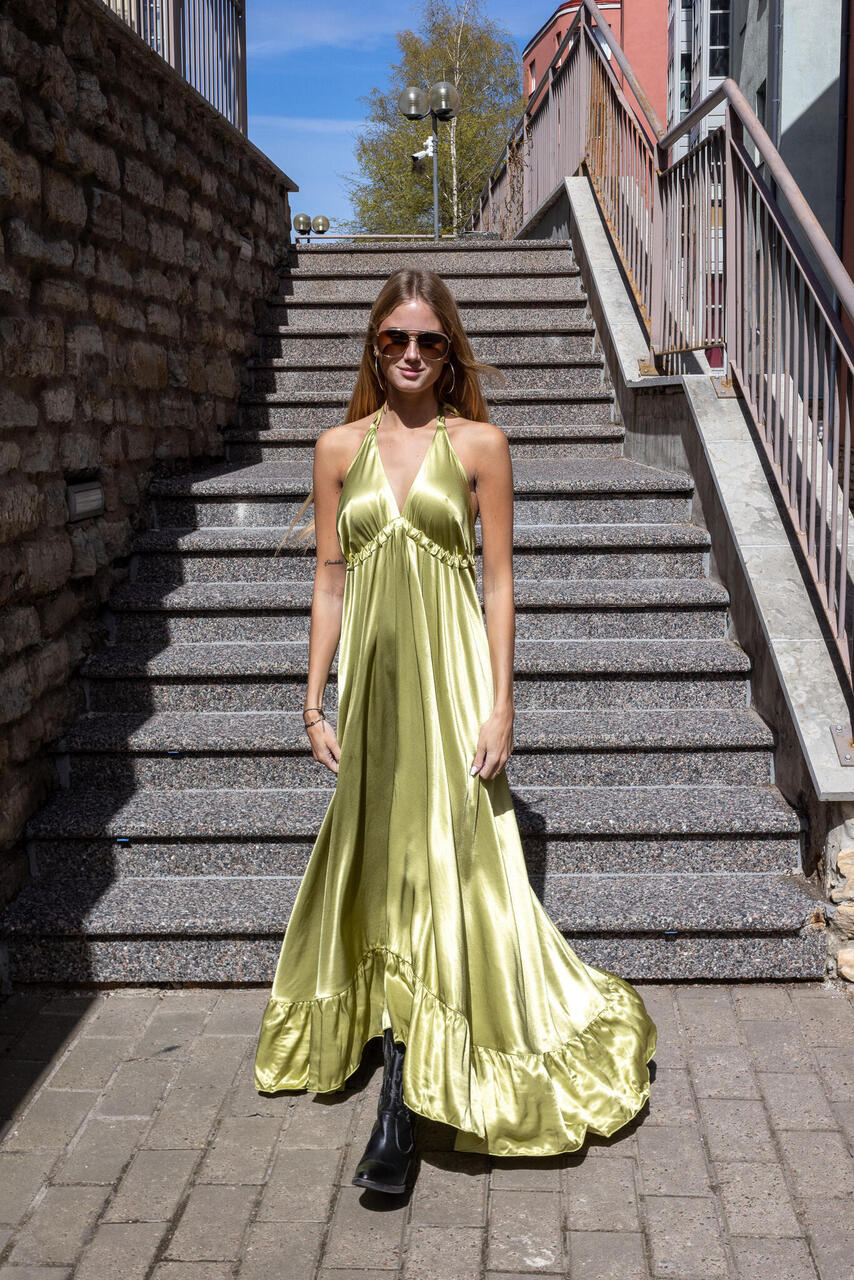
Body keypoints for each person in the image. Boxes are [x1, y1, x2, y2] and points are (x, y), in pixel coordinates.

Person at [254, 267, 657, 1196]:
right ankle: (387, 1029)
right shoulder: (336, 448)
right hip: (371, 695)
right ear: (374, 345)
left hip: (452, 685)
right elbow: (329, 581)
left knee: (443, 866)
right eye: (395, 338)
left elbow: (501, 582)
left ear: (449, 351)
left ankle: (404, 1101)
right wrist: (312, 701)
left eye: (428, 340)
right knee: (382, 864)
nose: (411, 353)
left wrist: (502, 702)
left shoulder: (480, 444)